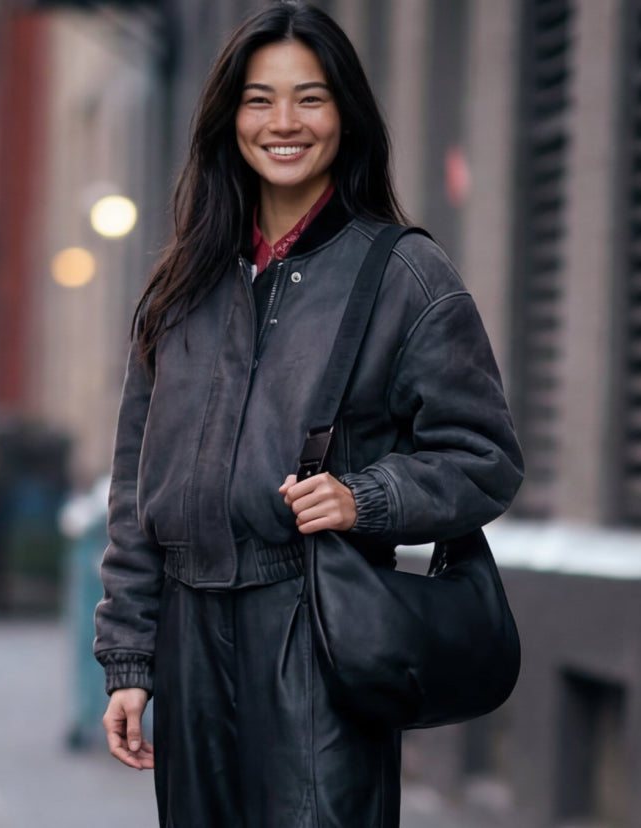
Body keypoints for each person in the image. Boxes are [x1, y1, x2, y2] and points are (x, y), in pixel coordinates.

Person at [93, 2, 524, 826]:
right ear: (229, 119)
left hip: (316, 628)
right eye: (259, 99)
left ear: (345, 115)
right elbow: (132, 488)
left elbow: (484, 457)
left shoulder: (405, 274)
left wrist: (368, 497)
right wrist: (129, 657)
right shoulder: (180, 289)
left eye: (310, 97)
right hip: (188, 640)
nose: (283, 122)